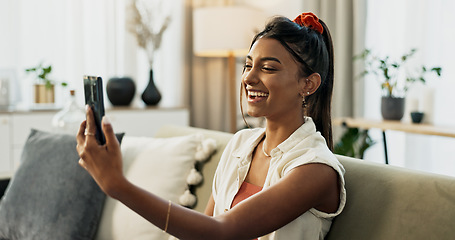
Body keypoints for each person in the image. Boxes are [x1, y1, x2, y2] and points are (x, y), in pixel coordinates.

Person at [77, 12, 346, 240]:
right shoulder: (241, 144)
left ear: (308, 84)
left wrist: (118, 186)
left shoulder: (315, 170)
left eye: (268, 68)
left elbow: (221, 232)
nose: (249, 78)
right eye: (248, 65)